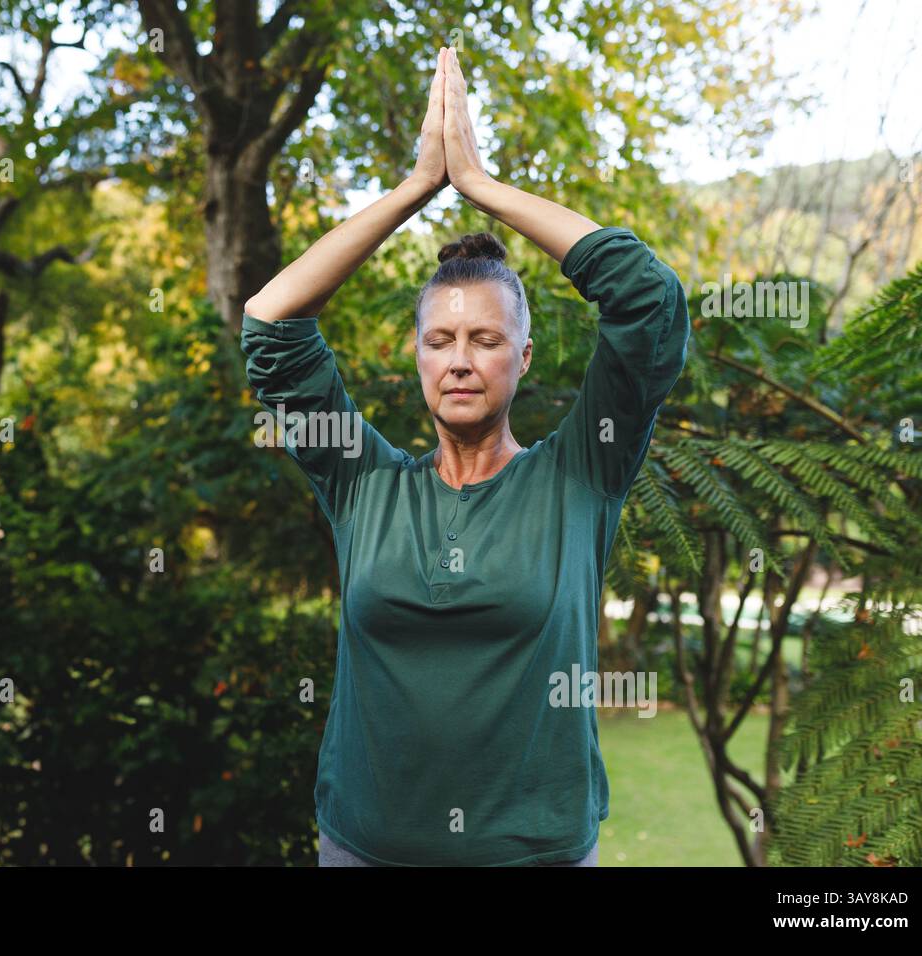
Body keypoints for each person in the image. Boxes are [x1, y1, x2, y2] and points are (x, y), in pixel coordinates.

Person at [241, 47, 690, 866]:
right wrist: (416, 190)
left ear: (523, 358)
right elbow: (270, 327)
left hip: (535, 854)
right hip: (364, 850)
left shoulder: (579, 475)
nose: (459, 360)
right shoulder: (362, 480)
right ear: (414, 357)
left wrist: (479, 184)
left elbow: (649, 302)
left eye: (485, 340)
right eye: (439, 340)